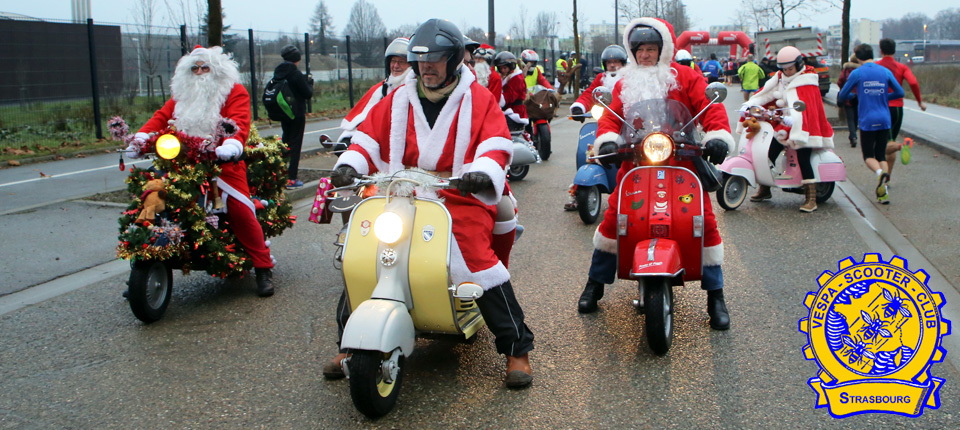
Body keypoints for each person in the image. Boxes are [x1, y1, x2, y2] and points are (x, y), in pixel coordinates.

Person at [324, 19, 535, 389]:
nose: (426, 67)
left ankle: (517, 348)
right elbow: (368, 139)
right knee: (362, 253)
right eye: (420, 60)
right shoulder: (398, 98)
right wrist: (349, 165)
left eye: (435, 59)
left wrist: (482, 174)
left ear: (453, 60)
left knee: (474, 257)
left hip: (457, 195)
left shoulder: (479, 98)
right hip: (398, 190)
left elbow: (495, 144)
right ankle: (349, 341)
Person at [576, 17, 735, 331]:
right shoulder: (624, 81)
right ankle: (595, 284)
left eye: (652, 48)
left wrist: (717, 134)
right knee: (615, 218)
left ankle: (715, 296)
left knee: (702, 218)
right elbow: (611, 116)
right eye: (640, 49)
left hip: (682, 160)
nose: (645, 55)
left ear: (664, 49)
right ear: (631, 51)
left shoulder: (685, 76)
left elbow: (709, 106)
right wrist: (608, 141)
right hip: (635, 161)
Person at [130, 45, 275, 296]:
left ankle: (263, 267)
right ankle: (141, 264)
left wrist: (230, 144)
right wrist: (141, 139)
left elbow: (239, 121)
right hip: (182, 162)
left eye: (204, 67)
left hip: (222, 164)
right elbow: (160, 117)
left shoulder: (234, 92)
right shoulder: (181, 96)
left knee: (241, 210)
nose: (199, 73)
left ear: (217, 69)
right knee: (150, 201)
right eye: (194, 68)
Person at [741, 46, 835, 212]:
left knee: (803, 157)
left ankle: (811, 197)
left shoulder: (807, 80)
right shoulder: (780, 77)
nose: (787, 72)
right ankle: (765, 188)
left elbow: (809, 107)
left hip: (803, 127)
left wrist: (797, 119)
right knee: (767, 153)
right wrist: (751, 103)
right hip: (783, 124)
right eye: (784, 69)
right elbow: (768, 94)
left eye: (790, 68)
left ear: (798, 65)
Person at [564, 45, 629, 211]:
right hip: (603, 123)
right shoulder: (601, 78)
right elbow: (590, 93)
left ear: (623, 63)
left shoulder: (630, 79)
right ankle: (579, 190)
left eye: (616, 62)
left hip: (625, 124)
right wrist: (579, 107)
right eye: (609, 62)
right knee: (588, 152)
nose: (613, 65)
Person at [838, 44, 904, 205]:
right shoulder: (885, 71)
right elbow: (900, 92)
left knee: (868, 156)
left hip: (868, 119)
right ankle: (884, 191)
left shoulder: (858, 73)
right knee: (881, 155)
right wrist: (883, 97)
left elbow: (842, 95)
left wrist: (858, 94)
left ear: (858, 57)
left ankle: (880, 173)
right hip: (885, 118)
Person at [337, 38, 411, 144]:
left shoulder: (418, 89)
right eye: (393, 61)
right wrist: (347, 138)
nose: (395, 66)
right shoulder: (381, 89)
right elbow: (361, 119)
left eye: (401, 62)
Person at [876, 37, 927, 182]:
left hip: (881, 108)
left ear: (881, 50)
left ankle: (902, 146)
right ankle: (887, 177)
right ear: (894, 50)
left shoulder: (877, 66)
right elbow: (913, 82)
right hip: (897, 108)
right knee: (889, 141)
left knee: (880, 145)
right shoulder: (902, 67)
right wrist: (919, 102)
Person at [273, 45, 314, 189]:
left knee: (286, 141)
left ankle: (280, 173)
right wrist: (309, 83)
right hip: (296, 113)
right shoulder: (295, 74)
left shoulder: (278, 72)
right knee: (296, 145)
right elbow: (307, 93)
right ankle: (291, 178)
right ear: (297, 59)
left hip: (284, 112)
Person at [494, 51, 529, 127]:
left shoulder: (517, 78)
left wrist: (496, 102)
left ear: (511, 66)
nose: (503, 70)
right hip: (508, 109)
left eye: (505, 68)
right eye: (501, 68)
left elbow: (510, 95)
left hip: (515, 111)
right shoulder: (506, 76)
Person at [836, 54, 861, 147]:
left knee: (850, 118)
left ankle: (853, 136)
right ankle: (854, 133)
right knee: (856, 117)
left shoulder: (846, 70)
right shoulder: (861, 70)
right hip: (859, 97)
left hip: (848, 97)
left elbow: (840, 82)